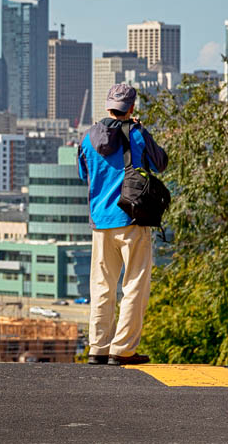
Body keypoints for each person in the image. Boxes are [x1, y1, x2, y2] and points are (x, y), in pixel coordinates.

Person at [77, 83, 168, 366]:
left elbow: (84, 174)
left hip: (100, 222)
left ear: (107, 106)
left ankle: (98, 348)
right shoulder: (137, 133)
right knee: (135, 285)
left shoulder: (87, 139)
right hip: (132, 219)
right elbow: (161, 162)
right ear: (130, 108)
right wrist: (142, 131)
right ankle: (123, 349)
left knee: (102, 286)